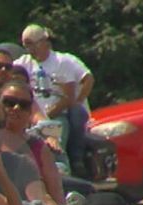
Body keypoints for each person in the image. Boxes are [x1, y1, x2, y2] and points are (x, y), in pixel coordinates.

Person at [14, 25, 93, 170]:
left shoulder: (62, 62)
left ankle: (67, 170)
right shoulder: (23, 63)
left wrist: (77, 101)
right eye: (27, 45)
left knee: (54, 147)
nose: (31, 49)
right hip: (30, 115)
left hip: (56, 114)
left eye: (33, 44)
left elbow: (70, 95)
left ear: (44, 42)